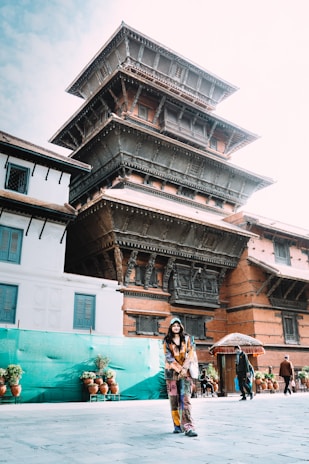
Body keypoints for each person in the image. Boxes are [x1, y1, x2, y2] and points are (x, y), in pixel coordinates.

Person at [163, 317, 198, 437]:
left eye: (178, 325)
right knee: (174, 400)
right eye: (174, 326)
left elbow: (191, 354)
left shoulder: (188, 339)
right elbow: (169, 357)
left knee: (186, 399)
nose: (176, 328)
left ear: (181, 327)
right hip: (171, 374)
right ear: (171, 328)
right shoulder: (167, 341)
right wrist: (179, 369)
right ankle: (177, 425)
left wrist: (184, 369)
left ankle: (188, 426)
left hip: (186, 373)